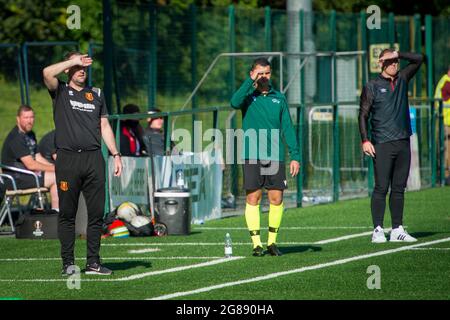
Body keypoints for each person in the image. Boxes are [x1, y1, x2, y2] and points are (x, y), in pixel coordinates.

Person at [43, 52, 122, 276]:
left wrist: (116, 154)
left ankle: (93, 262)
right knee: (68, 213)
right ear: (68, 68)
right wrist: (72, 60)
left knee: (96, 213)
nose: (81, 69)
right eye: (77, 66)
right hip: (68, 159)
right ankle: (68, 263)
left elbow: (104, 126)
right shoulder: (60, 91)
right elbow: (46, 72)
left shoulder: (96, 94)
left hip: (93, 158)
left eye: (84, 66)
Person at [230, 57, 300, 257]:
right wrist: (249, 81)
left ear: (271, 74)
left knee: (276, 198)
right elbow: (234, 102)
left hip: (275, 155)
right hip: (252, 155)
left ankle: (272, 242)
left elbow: (287, 127)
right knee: (254, 197)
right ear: (253, 73)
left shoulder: (279, 97)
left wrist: (295, 155)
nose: (264, 77)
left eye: (267, 73)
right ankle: (256, 244)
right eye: (260, 73)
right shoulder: (247, 95)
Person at [359, 49, 423, 243]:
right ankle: (378, 230)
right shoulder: (372, 86)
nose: (394, 64)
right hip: (382, 143)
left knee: (399, 188)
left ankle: (397, 229)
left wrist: (398, 53)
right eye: (390, 61)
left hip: (403, 141)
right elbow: (363, 114)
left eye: (396, 61)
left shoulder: (403, 78)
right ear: (381, 63)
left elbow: (420, 59)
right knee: (381, 187)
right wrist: (365, 140)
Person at [1, 105, 59, 211]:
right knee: (57, 177)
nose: (29, 121)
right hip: (15, 178)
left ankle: (56, 214)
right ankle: (56, 214)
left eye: (32, 117)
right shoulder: (16, 138)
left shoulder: (30, 134)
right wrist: (55, 169)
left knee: (60, 175)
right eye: (26, 118)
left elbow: (37, 157)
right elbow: (31, 164)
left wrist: (56, 166)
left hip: (27, 174)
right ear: (18, 119)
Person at [433, 65, 450, 181]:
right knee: (446, 150)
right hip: (445, 121)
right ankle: (446, 176)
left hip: (445, 121)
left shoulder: (444, 81)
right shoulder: (447, 82)